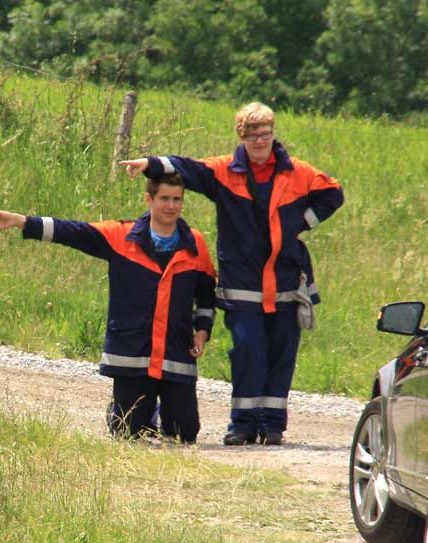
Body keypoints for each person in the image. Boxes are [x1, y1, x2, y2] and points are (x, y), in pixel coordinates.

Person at [120, 102, 344, 446]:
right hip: (242, 286)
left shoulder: (297, 172)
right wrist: (149, 163)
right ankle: (242, 424)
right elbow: (187, 168)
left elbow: (333, 193)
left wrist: (301, 223)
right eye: (252, 135)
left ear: (273, 133)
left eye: (265, 133)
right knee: (248, 350)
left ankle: (272, 427)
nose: (259, 140)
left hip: (286, 283)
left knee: (281, 355)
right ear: (241, 137)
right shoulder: (225, 171)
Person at [0, 173, 216, 444]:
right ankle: (120, 410)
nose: (171, 206)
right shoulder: (121, 235)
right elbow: (74, 232)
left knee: (184, 435)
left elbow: (207, 296)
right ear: (149, 199)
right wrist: (21, 221)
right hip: (132, 354)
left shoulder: (195, 243)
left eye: (177, 199)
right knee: (128, 434)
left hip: (176, 354)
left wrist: (202, 331)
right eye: (164, 198)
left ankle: (155, 411)